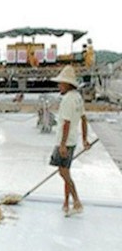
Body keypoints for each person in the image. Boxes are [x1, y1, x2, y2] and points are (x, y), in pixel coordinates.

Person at [50, 65, 91, 216]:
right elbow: (84, 119)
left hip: (65, 142)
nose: (59, 85)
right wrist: (85, 140)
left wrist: (62, 145)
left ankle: (77, 202)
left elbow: (66, 124)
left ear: (67, 84)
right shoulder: (78, 97)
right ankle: (66, 202)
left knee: (64, 174)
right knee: (65, 172)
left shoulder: (67, 100)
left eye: (61, 83)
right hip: (72, 141)